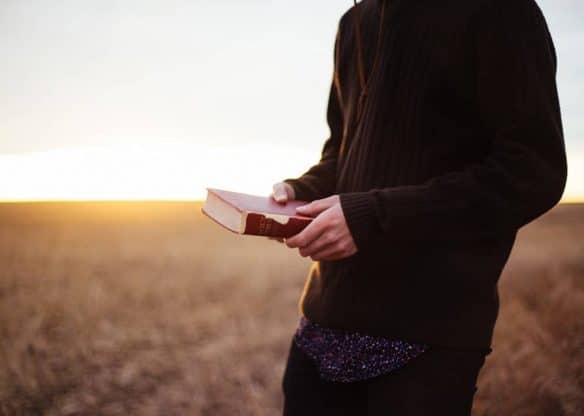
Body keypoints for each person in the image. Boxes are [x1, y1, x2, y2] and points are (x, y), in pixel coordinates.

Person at [270, 0, 567, 414]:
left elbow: (532, 172)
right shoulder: (355, 22)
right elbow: (342, 151)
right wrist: (302, 188)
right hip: (322, 326)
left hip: (428, 338)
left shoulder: (501, 11)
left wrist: (373, 216)